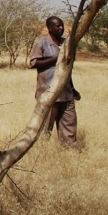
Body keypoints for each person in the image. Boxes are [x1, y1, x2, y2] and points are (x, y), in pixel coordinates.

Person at [28, 16, 81, 147]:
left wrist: (73, 89)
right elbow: (33, 63)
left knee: (69, 126)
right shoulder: (41, 43)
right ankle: (41, 153)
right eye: (58, 26)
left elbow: (67, 69)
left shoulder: (67, 44)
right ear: (49, 28)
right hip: (48, 92)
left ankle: (70, 152)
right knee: (45, 127)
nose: (61, 28)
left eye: (62, 25)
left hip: (66, 93)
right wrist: (56, 58)